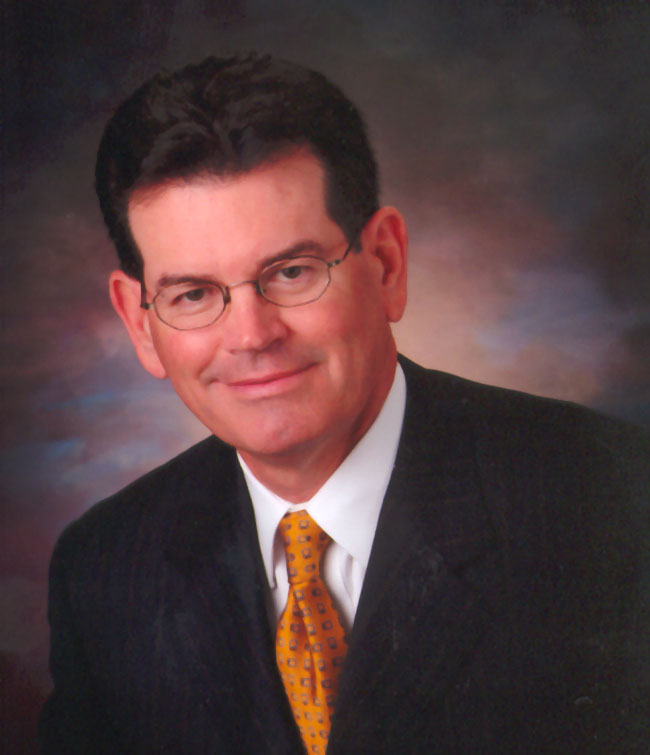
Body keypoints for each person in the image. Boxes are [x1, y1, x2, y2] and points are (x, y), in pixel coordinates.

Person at [40, 53, 649, 754]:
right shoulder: (105, 570)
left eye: (292, 272)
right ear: (140, 323)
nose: (252, 336)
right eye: (194, 294)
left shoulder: (612, 503)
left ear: (386, 264)